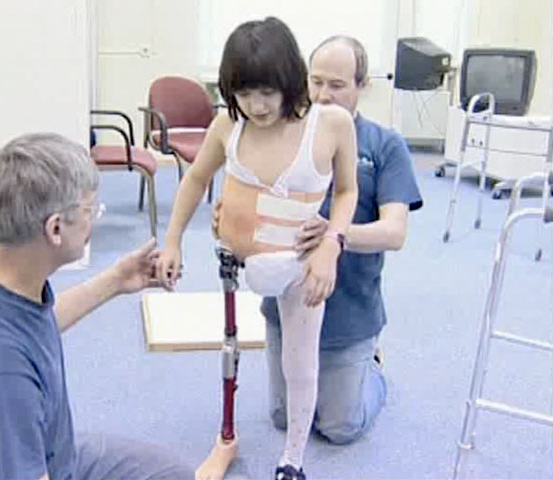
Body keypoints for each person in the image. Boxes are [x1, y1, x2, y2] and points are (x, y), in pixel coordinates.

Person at [0, 133, 193, 480]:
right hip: (7, 458)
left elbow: (29, 328)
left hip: (32, 445)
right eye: (90, 210)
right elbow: (5, 363)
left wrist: (115, 280)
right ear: (55, 228)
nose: (94, 219)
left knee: (172, 473)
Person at [157, 18, 358, 480]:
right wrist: (172, 241)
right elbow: (195, 179)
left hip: (300, 264)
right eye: (244, 93)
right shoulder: (229, 124)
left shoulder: (331, 124)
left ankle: (293, 460)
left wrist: (332, 244)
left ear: (290, 79)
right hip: (237, 260)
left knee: (298, 363)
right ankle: (226, 436)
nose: (257, 105)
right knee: (231, 350)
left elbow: (347, 191)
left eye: (267, 92)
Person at [260, 36, 424, 447]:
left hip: (349, 313)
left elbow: (394, 232)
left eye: (336, 85)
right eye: (315, 82)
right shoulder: (283, 134)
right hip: (287, 303)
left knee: (338, 428)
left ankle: (372, 368)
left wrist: (334, 234)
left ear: (362, 85)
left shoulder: (385, 146)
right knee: (282, 418)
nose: (322, 95)